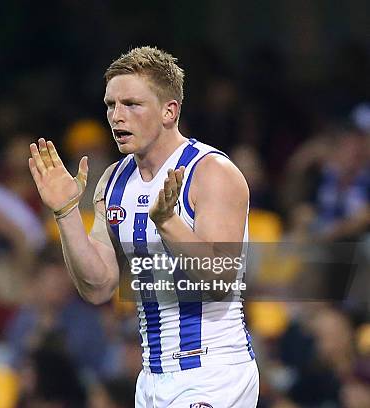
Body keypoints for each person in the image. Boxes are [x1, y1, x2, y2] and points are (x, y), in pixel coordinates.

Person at [28, 46, 259, 407]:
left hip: (213, 373)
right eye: (110, 105)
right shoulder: (113, 181)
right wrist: (67, 212)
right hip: (151, 380)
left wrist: (167, 222)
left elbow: (220, 281)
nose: (116, 117)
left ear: (170, 111)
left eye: (131, 104)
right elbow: (98, 287)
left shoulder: (212, 173)